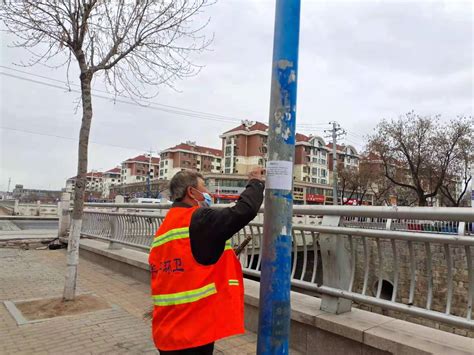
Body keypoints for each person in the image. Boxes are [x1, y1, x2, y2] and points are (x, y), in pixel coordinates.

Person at [148, 168, 265, 354]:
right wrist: (255, 182)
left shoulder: (167, 225)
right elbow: (243, 211)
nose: (208, 193)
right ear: (191, 192)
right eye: (204, 188)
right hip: (192, 332)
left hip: (166, 330)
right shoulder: (198, 219)